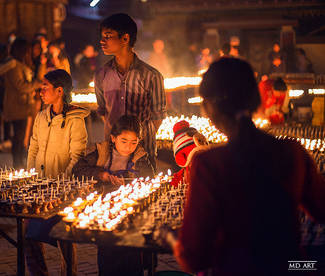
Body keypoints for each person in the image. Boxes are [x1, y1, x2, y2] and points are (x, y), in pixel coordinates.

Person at [172, 57, 325, 275]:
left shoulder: (209, 165)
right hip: (290, 268)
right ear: (256, 99)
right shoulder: (292, 152)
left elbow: (193, 257)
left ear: (208, 108)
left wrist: (168, 237)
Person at [73, 115, 155, 276]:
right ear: (113, 138)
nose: (128, 147)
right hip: (105, 213)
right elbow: (77, 170)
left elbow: (150, 180)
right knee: (108, 254)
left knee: (131, 255)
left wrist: (134, 184)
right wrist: (101, 175)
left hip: (131, 213)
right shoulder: (100, 153)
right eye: (123, 141)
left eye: (134, 142)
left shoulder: (141, 157)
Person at [25, 69, 89, 276]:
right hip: (38, 187)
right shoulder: (41, 116)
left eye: (45, 87)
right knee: (30, 236)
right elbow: (33, 147)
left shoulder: (75, 120)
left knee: (64, 239)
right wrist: (29, 177)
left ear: (59, 91)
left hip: (63, 190)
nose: (41, 91)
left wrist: (63, 184)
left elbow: (77, 155)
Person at [95, 13, 167, 168]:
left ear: (125, 39)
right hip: (112, 156)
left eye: (108, 36)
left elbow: (157, 117)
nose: (102, 41)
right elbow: (103, 112)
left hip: (142, 154)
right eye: (102, 36)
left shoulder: (151, 76)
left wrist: (136, 141)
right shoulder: (102, 75)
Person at [0, 38, 46, 169]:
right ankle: (18, 164)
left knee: (21, 135)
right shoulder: (14, 66)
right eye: (27, 50)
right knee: (19, 136)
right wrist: (37, 84)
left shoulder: (18, 64)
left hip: (21, 105)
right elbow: (21, 86)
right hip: (17, 106)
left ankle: (20, 162)